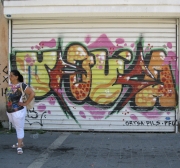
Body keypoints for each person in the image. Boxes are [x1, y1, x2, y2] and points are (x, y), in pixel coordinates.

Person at [6, 70, 35, 154]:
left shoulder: (22, 85)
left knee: (19, 128)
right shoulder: (10, 85)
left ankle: (19, 147)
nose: (10, 77)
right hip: (10, 111)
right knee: (16, 127)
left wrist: (26, 103)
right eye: (9, 75)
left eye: (11, 76)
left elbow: (32, 93)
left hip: (18, 111)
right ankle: (20, 142)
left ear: (16, 77)